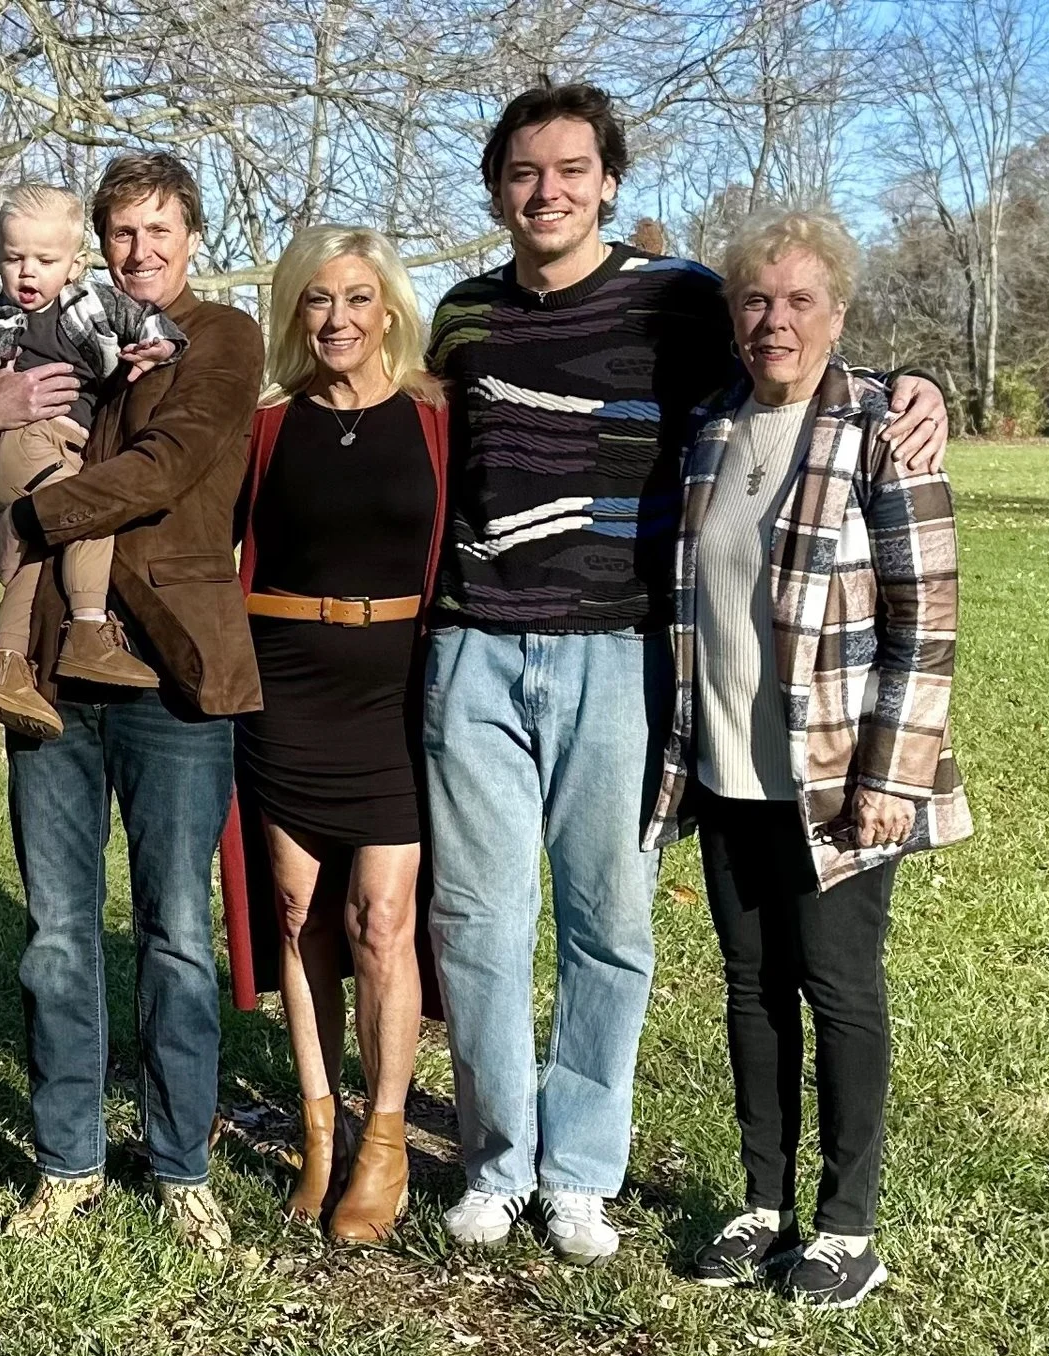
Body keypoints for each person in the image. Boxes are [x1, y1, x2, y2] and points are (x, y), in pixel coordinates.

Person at [421, 84, 953, 1264]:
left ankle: (580, 1174)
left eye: (570, 169)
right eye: (523, 172)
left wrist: (919, 380)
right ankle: (498, 1162)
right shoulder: (458, 317)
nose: (546, 190)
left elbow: (802, 345)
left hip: (621, 653)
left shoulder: (681, 300)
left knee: (609, 924)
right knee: (479, 921)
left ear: (609, 181)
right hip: (472, 648)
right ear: (498, 189)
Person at [643, 209, 969, 1309]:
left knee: (837, 987)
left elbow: (926, 620)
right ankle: (763, 1201)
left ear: (836, 312)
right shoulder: (709, 427)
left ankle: (847, 1223)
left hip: (839, 777)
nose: (772, 320)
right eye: (753, 300)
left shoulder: (882, 429)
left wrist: (893, 776)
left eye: (796, 300)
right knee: (749, 988)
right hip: (727, 765)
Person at [0, 151, 264, 1251]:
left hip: (171, 669)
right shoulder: (58, 324)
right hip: (51, 675)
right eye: (123, 233)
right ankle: (67, 1157)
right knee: (55, 929)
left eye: (158, 230)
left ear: (190, 233)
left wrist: (36, 522)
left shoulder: (218, 336)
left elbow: (169, 467)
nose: (142, 251)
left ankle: (181, 1160)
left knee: (178, 929)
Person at [217, 226, 446, 1244]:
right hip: (286, 686)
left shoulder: (440, 415)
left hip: (397, 695)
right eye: (317, 300)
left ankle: (387, 1137)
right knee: (300, 909)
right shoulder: (265, 423)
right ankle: (321, 1128)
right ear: (294, 313)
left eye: (358, 297)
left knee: (380, 920)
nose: (338, 318)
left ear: (388, 306)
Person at [0, 182, 186, 739]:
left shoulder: (89, 304)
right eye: (13, 258)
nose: (27, 273)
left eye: (45, 260)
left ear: (74, 263)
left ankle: (8, 667)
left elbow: (151, 325)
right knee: (87, 509)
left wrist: (160, 347)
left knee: (38, 553)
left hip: (43, 452)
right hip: (29, 446)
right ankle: (89, 629)